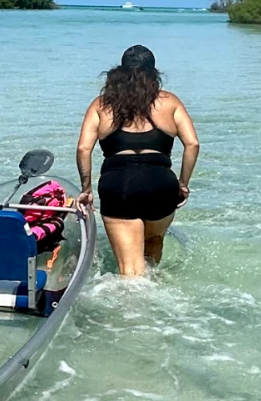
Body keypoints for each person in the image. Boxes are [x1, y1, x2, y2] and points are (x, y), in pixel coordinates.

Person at [75, 45, 200, 277]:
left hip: (119, 184)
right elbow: (192, 144)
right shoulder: (170, 102)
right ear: (154, 73)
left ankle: (134, 309)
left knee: (131, 273)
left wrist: (86, 189)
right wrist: (182, 184)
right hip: (162, 183)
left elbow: (83, 148)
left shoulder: (101, 105)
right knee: (153, 245)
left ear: (119, 72)